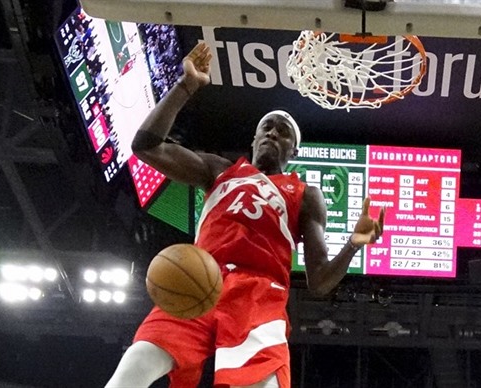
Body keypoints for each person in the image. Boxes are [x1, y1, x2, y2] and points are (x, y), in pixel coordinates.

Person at [106, 42, 385, 388]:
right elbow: (146, 146)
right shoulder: (219, 169)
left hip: (259, 295)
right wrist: (186, 86)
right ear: (254, 137)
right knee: (131, 371)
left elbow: (318, 282)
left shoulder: (305, 196)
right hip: (199, 274)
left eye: (283, 132)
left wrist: (355, 245)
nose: (273, 133)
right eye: (267, 127)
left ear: (293, 150)